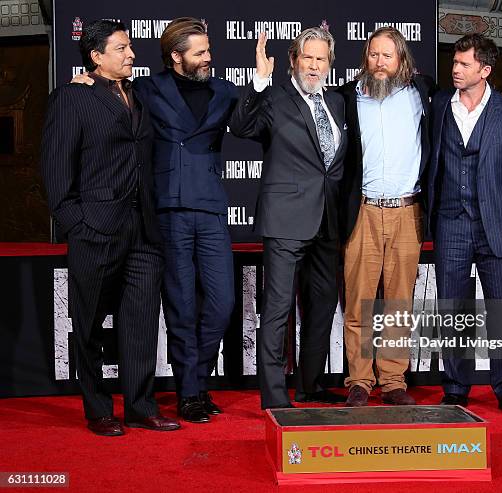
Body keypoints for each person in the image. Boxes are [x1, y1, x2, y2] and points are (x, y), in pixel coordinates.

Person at [72, 18, 238, 423]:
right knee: (180, 305)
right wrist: (86, 80)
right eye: (199, 52)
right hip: (167, 208)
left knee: (222, 304)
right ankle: (190, 394)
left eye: (209, 50)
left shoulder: (224, 90)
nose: (208, 58)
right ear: (176, 56)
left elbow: (251, 123)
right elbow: (111, 93)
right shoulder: (146, 88)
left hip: (211, 206)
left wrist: (266, 82)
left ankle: (197, 381)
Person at [41, 20, 180, 436]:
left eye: (130, 47)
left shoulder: (142, 95)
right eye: (120, 48)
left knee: (140, 326)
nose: (131, 54)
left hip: (143, 230)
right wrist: (76, 224)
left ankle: (140, 405)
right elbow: (54, 169)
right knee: (87, 325)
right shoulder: (72, 97)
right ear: (96, 56)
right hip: (95, 229)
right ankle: (99, 408)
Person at [230, 27, 347, 409]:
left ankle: (310, 385)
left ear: (330, 64)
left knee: (323, 305)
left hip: (327, 221)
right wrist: (259, 80)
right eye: (307, 58)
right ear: (294, 61)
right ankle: (275, 396)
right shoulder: (275, 98)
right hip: (285, 220)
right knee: (278, 310)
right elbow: (241, 126)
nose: (314, 66)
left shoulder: (338, 103)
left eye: (321, 59)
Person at [427, 34, 502, 418]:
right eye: (454, 63)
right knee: (453, 310)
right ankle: (456, 388)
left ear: (485, 70)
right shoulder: (440, 103)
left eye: (464, 65)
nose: (455, 70)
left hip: (496, 224)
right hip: (450, 222)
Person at [338, 27, 435, 407]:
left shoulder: (423, 93)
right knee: (359, 301)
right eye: (373, 55)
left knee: (398, 304)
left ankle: (393, 380)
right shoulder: (347, 96)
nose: (379, 63)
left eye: (387, 56)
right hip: (362, 210)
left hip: (407, 212)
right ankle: (359, 380)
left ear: (401, 61)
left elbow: (469, 98)